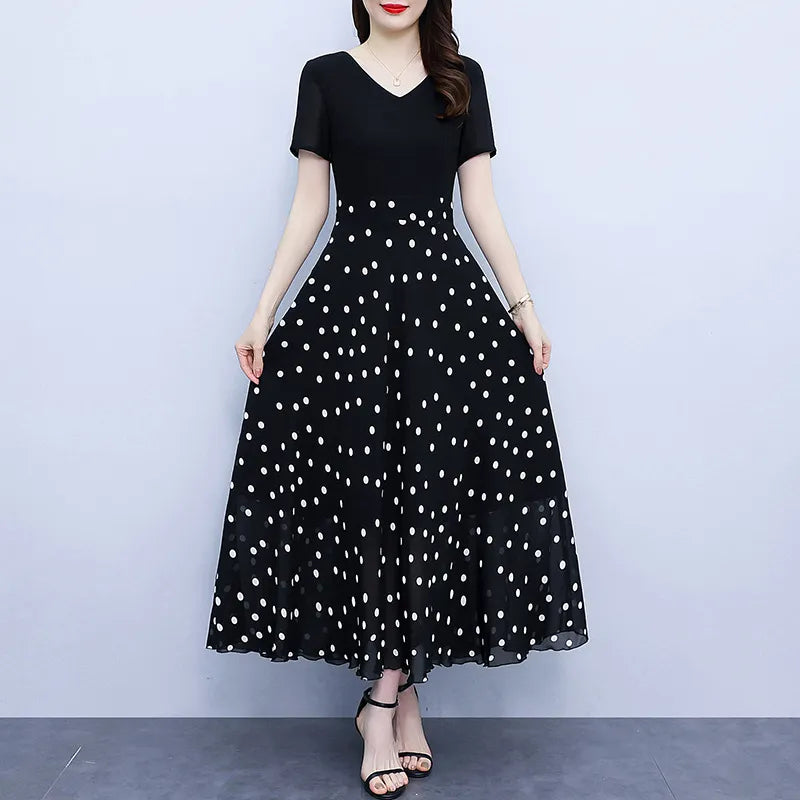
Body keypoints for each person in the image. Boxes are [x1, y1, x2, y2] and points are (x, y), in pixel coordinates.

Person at [205, 1, 589, 796]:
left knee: (427, 502)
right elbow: (311, 203)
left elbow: (479, 203)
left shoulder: (462, 79)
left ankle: (385, 700)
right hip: (351, 313)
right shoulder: (325, 78)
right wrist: (263, 310)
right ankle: (395, 700)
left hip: (441, 314)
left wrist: (523, 306)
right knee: (372, 503)